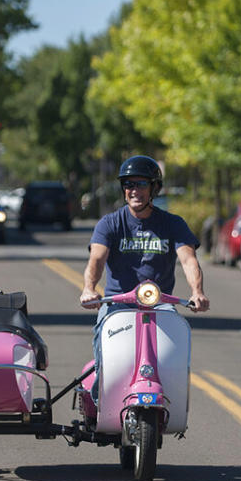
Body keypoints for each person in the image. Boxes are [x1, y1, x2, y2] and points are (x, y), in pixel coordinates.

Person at [80, 155, 210, 398]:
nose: (134, 190)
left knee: (174, 356)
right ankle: (100, 400)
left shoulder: (172, 223)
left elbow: (188, 259)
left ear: (154, 188)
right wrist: (89, 288)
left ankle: (172, 397)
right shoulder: (110, 223)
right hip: (117, 306)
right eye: (129, 185)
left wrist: (197, 292)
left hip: (160, 306)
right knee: (106, 359)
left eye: (141, 184)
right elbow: (96, 259)